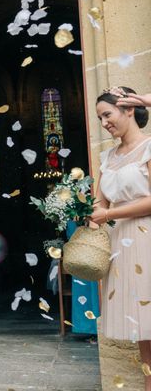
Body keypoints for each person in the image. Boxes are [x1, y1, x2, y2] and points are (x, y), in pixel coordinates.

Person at [90, 86, 151, 390]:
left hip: (148, 239)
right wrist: (85, 213)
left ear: (129, 110)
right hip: (122, 246)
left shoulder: (149, 147)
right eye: (100, 118)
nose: (104, 123)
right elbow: (100, 203)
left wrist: (110, 215)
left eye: (107, 114)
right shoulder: (108, 157)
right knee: (143, 328)